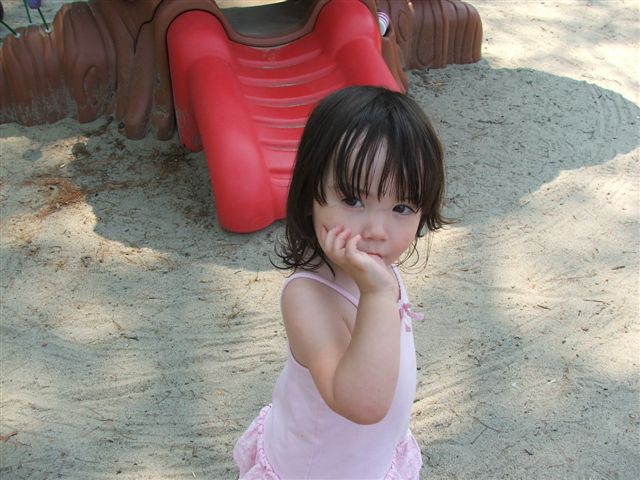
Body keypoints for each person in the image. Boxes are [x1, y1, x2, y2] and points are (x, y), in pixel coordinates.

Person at [233, 85, 447, 479]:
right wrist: (377, 294)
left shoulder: (378, 271)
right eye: (353, 200)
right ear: (309, 194)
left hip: (368, 458)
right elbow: (362, 404)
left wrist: (377, 289)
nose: (376, 229)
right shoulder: (309, 297)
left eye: (401, 207)